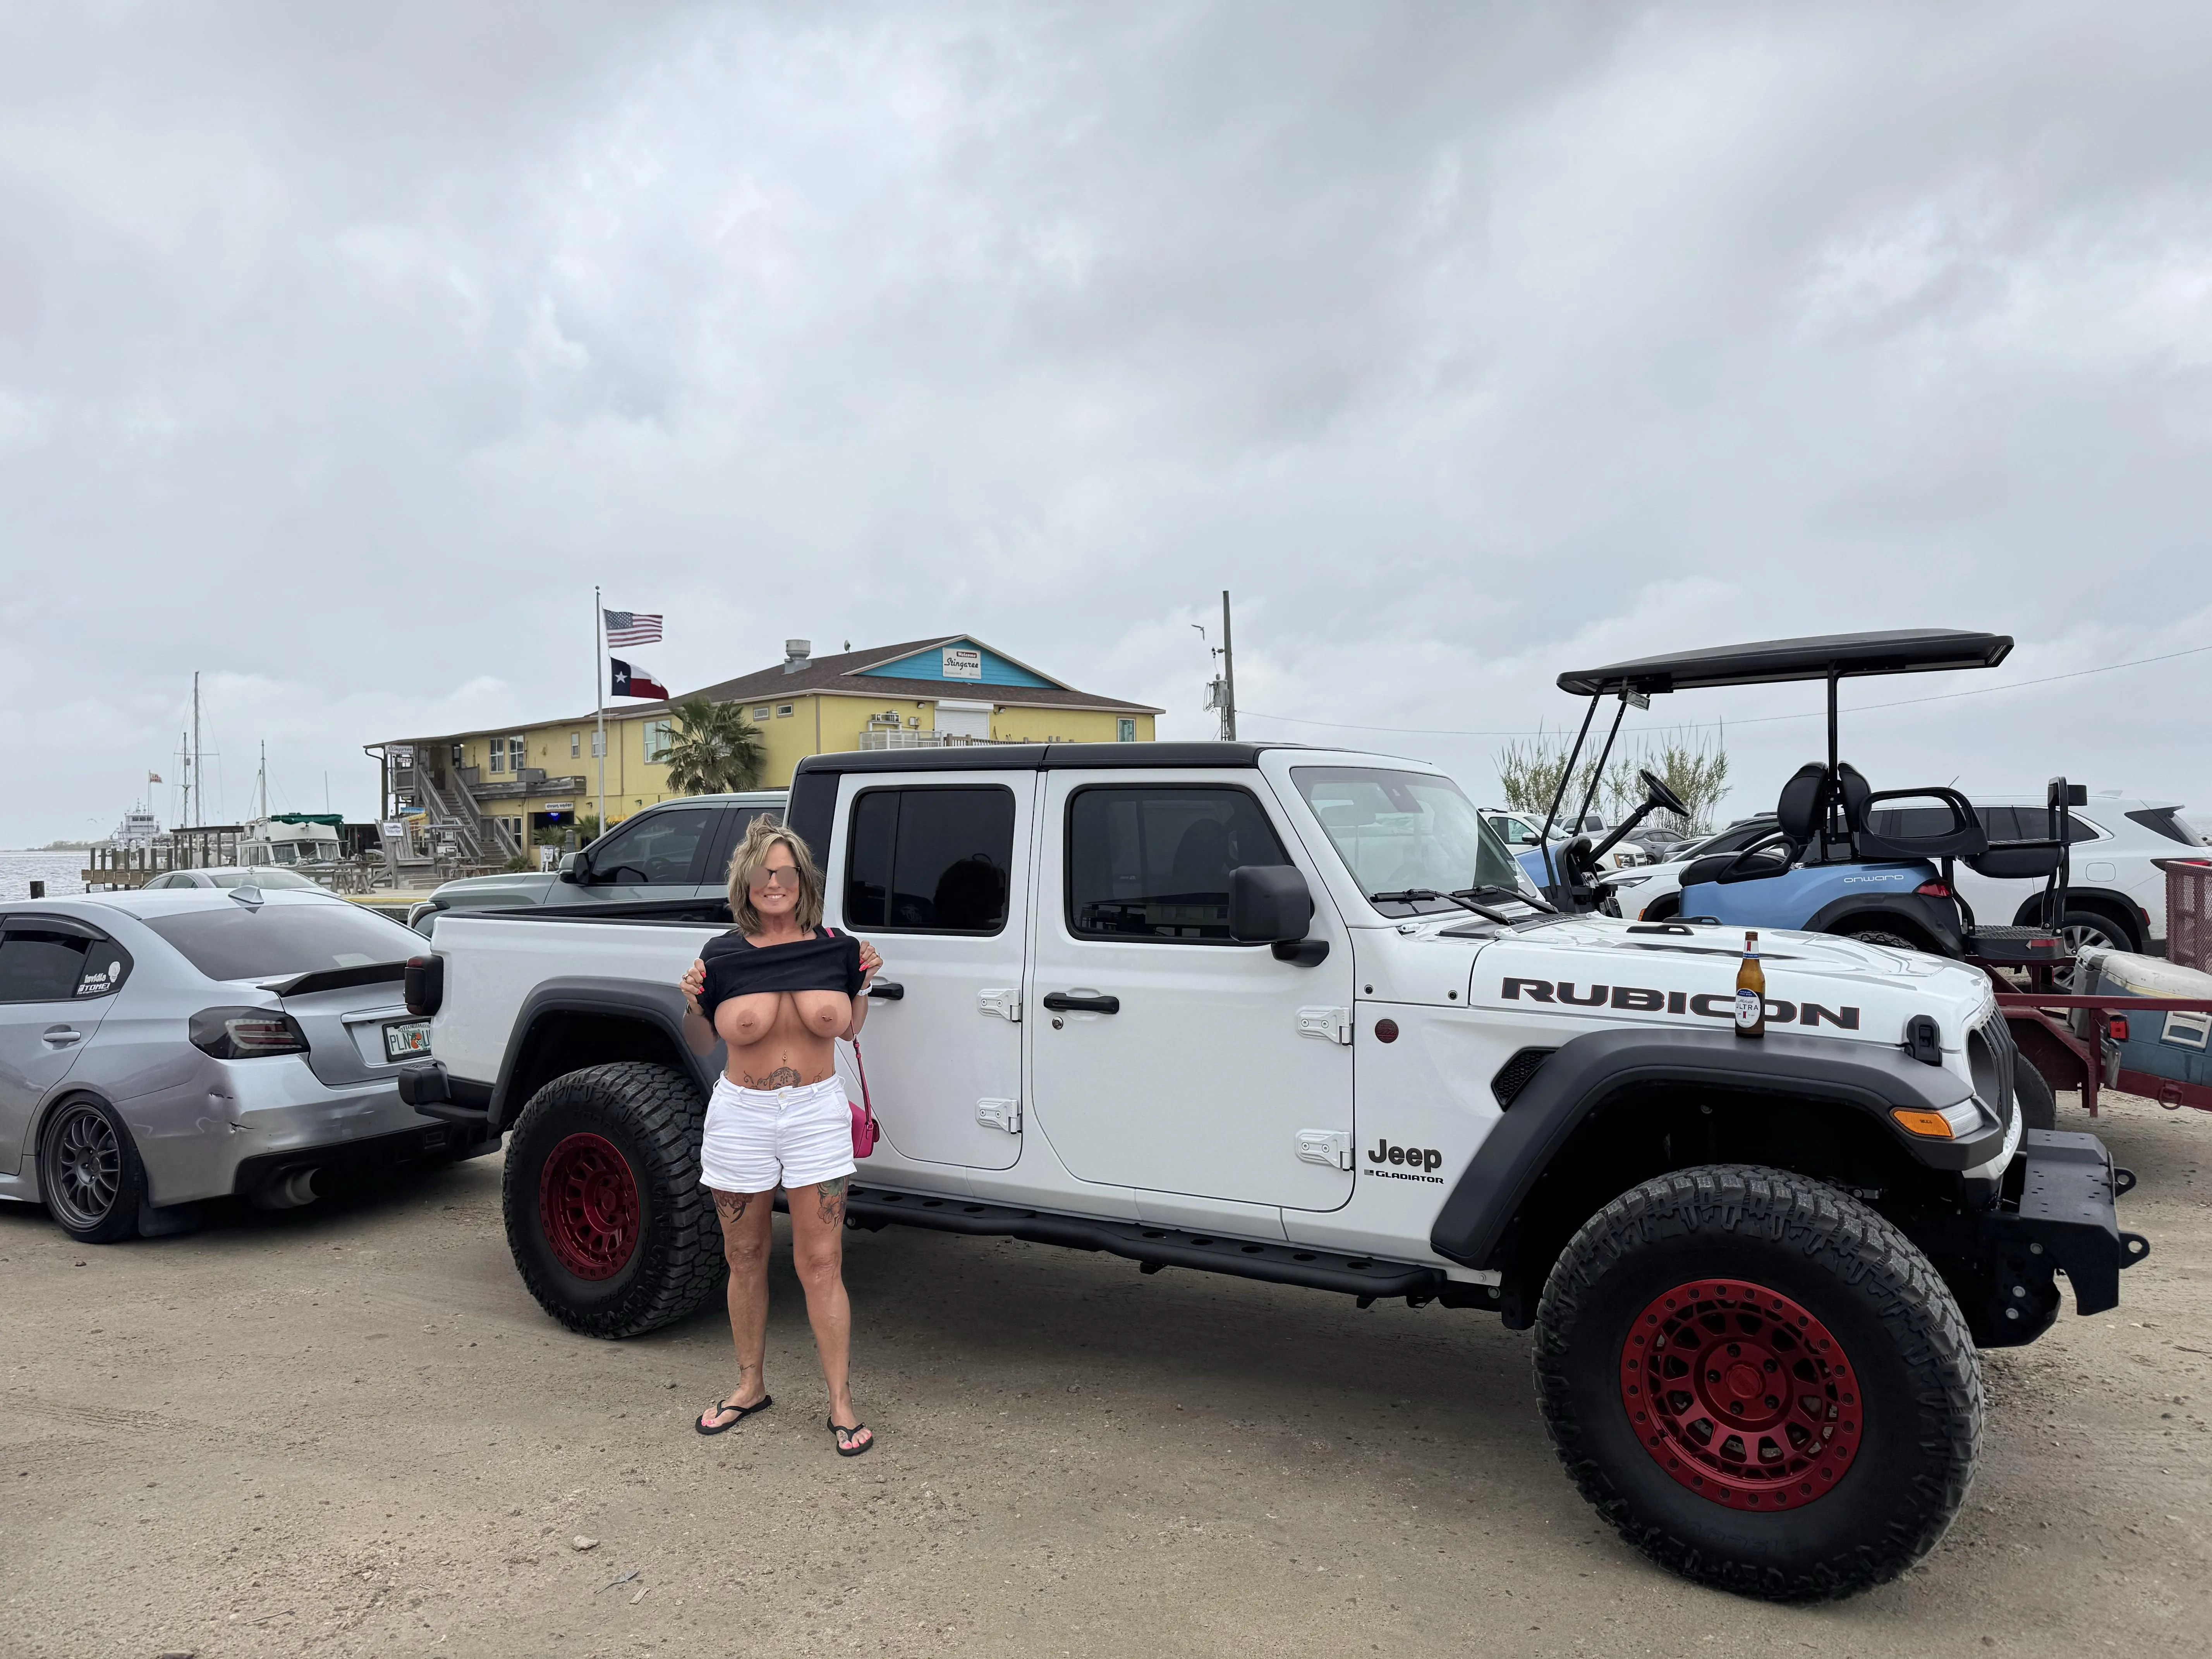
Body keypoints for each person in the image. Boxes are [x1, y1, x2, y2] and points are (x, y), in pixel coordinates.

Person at [680, 817, 883, 1456]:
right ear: (747, 880)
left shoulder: (837, 949)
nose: (776, 882)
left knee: (821, 1262)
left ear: (803, 881)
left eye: (787, 872)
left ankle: (841, 1403)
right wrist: (692, 1003)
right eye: (764, 872)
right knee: (744, 1256)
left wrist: (865, 984)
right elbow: (702, 1042)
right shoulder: (723, 955)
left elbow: (848, 1029)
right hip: (742, 1114)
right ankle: (750, 1386)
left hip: (816, 1113)